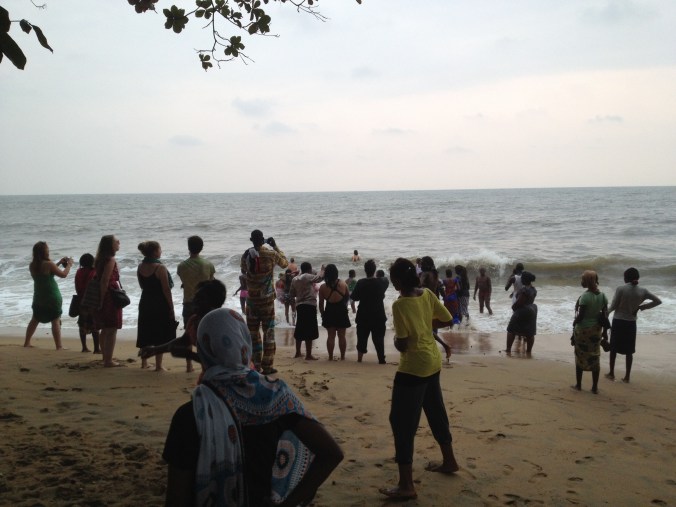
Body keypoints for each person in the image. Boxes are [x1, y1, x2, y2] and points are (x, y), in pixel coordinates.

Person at [163, 308, 344, 506]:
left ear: (204, 348)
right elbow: (331, 454)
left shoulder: (191, 414)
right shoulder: (275, 397)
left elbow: (176, 498)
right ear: (244, 343)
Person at [379, 258, 458, 501]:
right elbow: (447, 319)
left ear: (399, 281)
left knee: (401, 422)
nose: (392, 282)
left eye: (393, 278)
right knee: (436, 411)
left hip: (413, 367)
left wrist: (396, 340)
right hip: (433, 362)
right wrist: (425, 325)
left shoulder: (400, 305)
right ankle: (449, 461)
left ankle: (406, 485)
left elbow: (402, 344)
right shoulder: (427, 295)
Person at [240, 230, 288, 375]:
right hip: (267, 301)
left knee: (253, 334)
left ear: (251, 240)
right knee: (269, 333)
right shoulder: (271, 254)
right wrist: (275, 246)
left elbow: (243, 271)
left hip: (252, 301)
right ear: (263, 240)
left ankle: (256, 364)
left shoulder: (246, 255)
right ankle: (267, 365)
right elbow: (285, 263)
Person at [606, 267, 662, 383]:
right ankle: (627, 377)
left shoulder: (621, 289)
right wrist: (641, 307)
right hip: (631, 323)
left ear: (626, 278)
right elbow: (658, 301)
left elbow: (613, 306)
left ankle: (611, 373)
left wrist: (604, 315)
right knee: (629, 351)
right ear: (637, 278)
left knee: (613, 349)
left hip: (619, 322)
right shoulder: (643, 291)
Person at [24, 241, 73, 349]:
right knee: (55, 320)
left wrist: (59, 262)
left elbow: (48, 271)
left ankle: (27, 342)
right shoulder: (48, 264)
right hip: (52, 296)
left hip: (39, 297)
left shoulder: (32, 265)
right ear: (44, 252)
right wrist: (69, 265)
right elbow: (63, 275)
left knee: (35, 319)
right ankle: (59, 346)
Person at [177, 236, 215, 372]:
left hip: (188, 302)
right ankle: (205, 365)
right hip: (204, 305)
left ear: (188, 248)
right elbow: (211, 283)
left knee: (188, 334)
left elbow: (184, 280)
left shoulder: (181, 266)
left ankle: (189, 365)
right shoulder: (208, 265)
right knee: (204, 335)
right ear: (202, 247)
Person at [137, 241, 177, 371]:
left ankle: (144, 363)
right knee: (159, 334)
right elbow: (166, 289)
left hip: (145, 301)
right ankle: (158, 366)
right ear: (155, 252)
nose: (161, 251)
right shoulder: (160, 268)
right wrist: (171, 307)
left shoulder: (140, 267)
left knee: (145, 331)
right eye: (160, 249)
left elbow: (142, 286)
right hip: (160, 303)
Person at [571, 271, 608, 393]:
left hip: (583, 331)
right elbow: (605, 315)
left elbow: (581, 316)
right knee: (594, 357)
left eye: (583, 280)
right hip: (596, 331)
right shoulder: (603, 296)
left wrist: (574, 322)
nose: (581, 282)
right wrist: (605, 333)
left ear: (587, 281)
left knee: (580, 357)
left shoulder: (585, 297)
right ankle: (594, 387)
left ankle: (579, 385)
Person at [350, 259, 389, 364]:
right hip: (378, 315)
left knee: (362, 338)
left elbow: (354, 297)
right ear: (375, 270)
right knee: (379, 339)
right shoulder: (381, 282)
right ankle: (381, 359)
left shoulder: (361, 283)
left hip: (363, 315)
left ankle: (359, 359)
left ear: (365, 270)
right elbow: (386, 280)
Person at [94, 235, 122, 367]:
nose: (119, 243)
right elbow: (105, 280)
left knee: (105, 328)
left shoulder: (100, 259)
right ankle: (108, 360)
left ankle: (106, 357)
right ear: (110, 245)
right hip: (109, 295)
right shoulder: (110, 260)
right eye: (116, 241)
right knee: (111, 328)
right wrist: (102, 298)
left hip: (104, 294)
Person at [419, 257, 452, 360]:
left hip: (425, 302)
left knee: (425, 328)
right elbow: (441, 291)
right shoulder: (435, 275)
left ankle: (441, 347)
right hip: (434, 302)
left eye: (422, 263)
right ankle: (437, 350)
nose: (421, 265)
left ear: (427, 264)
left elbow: (420, 286)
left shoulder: (425, 274)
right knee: (432, 328)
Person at [290, 262, 324, 360]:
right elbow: (319, 278)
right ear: (309, 269)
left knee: (300, 328)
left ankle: (298, 353)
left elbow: (292, 294)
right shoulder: (307, 276)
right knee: (309, 329)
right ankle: (308, 355)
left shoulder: (295, 279)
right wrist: (322, 270)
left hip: (299, 305)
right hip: (309, 305)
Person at [318, 264, 352, 361]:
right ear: (336, 273)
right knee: (342, 336)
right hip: (341, 310)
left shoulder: (323, 287)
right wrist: (345, 308)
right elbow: (347, 298)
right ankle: (342, 357)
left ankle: (330, 357)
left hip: (329, 311)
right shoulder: (343, 284)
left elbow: (320, 304)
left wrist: (322, 314)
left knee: (331, 336)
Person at [505, 271, 537, 356]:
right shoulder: (533, 289)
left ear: (524, 279)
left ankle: (508, 349)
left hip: (522, 310)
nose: (521, 279)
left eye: (522, 278)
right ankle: (529, 351)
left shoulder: (524, 290)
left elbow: (520, 302)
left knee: (511, 329)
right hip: (532, 309)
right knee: (530, 332)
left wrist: (514, 307)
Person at [74, 253, 100, 353]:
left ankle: (84, 347)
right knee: (94, 324)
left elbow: (77, 286)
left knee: (82, 324)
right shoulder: (93, 272)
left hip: (81, 301)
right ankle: (96, 348)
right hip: (92, 300)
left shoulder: (79, 272)